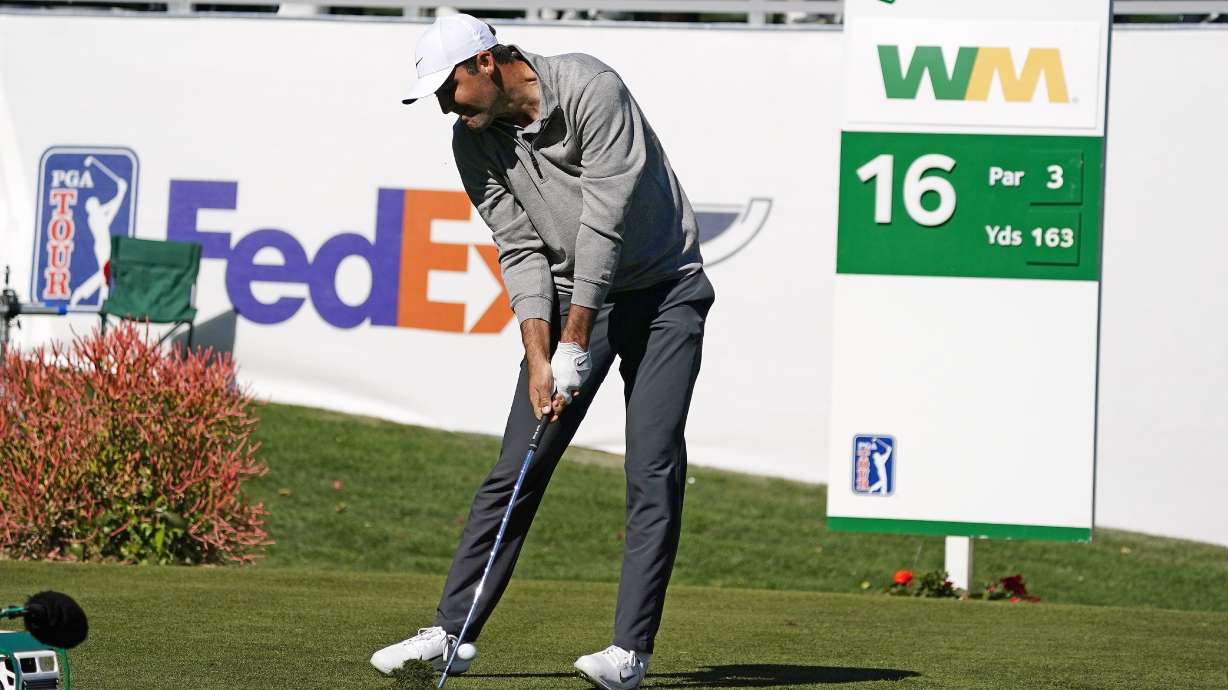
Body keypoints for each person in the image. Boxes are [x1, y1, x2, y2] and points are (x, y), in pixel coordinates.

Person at [370, 14, 714, 690]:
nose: (445, 104)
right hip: (573, 300)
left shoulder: (592, 89)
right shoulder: (473, 140)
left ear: (487, 63)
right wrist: (539, 354)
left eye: (450, 87)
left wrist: (576, 337)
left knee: (651, 465)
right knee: (515, 469)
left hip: (664, 290)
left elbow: (604, 222)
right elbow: (520, 249)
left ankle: (629, 651)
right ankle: (451, 631)